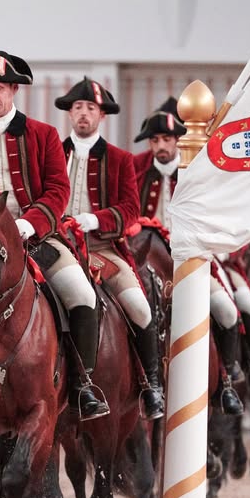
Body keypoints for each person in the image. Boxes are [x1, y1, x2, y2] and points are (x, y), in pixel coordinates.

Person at [0, 52, 109, 420]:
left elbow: (56, 190)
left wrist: (30, 223)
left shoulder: (43, 134)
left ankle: (83, 384)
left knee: (82, 294)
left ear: (13, 89)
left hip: (33, 236)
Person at [132, 98, 250, 412]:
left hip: (196, 260)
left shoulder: (202, 170)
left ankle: (227, 380)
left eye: (167, 139)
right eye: (155, 140)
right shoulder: (135, 168)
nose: (161, 146)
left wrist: (221, 248)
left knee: (228, 309)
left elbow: (224, 214)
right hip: (145, 262)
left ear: (179, 140)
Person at [56, 77, 165, 419]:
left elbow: (131, 208)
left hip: (102, 248)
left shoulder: (120, 159)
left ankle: (151, 386)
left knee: (139, 307)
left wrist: (96, 220)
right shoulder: (53, 152)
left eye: (90, 108)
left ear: (102, 115)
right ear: (70, 114)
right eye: (77, 108)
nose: (83, 114)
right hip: (54, 245)